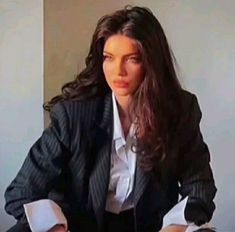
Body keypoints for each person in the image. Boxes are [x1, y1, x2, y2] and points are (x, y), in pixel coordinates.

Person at [4, 5, 216, 232]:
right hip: (79, 226)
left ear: (151, 62)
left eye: (132, 59)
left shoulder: (180, 109)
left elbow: (200, 188)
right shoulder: (74, 115)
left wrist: (174, 228)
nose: (118, 71)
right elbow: (22, 191)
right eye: (109, 58)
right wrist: (55, 227)